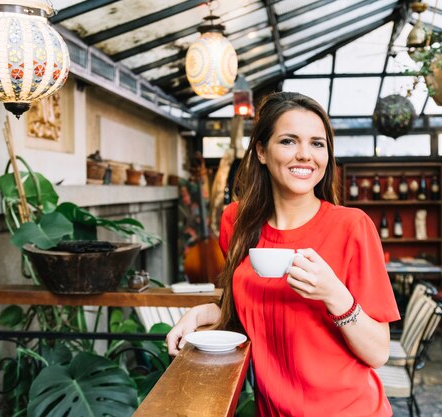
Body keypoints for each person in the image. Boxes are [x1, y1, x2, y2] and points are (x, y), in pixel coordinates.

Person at [167, 91, 400, 416]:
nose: (306, 155)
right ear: (261, 150)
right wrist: (201, 314)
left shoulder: (351, 227)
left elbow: (378, 352)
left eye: (317, 144)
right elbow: (246, 306)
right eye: (289, 141)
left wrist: (334, 294)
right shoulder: (236, 222)